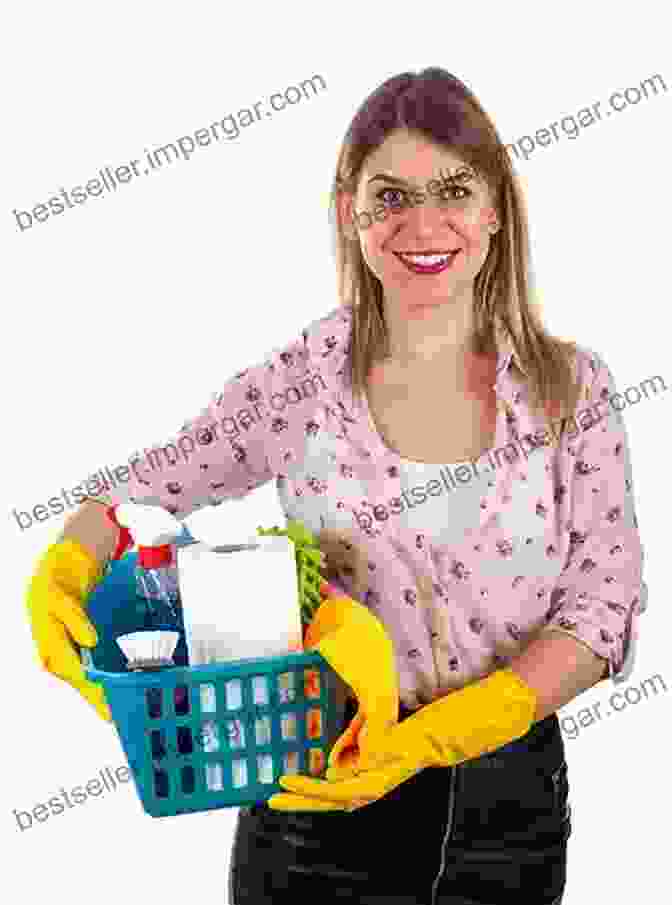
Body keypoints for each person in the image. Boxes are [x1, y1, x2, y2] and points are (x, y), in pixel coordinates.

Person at [26, 67, 647, 905]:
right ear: (350, 213)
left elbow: (601, 606)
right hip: (318, 802)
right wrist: (68, 558)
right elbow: (144, 488)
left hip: (510, 818)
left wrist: (443, 735)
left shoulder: (570, 389)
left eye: (454, 190)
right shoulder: (304, 382)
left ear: (496, 207)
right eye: (389, 197)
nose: (423, 225)